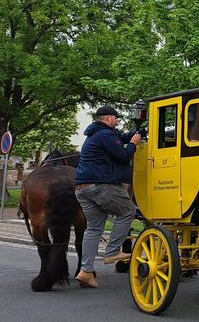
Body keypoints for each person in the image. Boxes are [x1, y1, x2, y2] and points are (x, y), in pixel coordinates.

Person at [74, 106, 142, 288]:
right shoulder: (106, 135)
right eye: (116, 118)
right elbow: (122, 155)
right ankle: (112, 252)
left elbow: (121, 138)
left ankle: (86, 271)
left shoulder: (97, 134)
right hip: (101, 185)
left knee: (94, 228)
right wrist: (134, 144)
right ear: (109, 118)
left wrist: (139, 133)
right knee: (128, 211)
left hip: (82, 188)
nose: (118, 121)